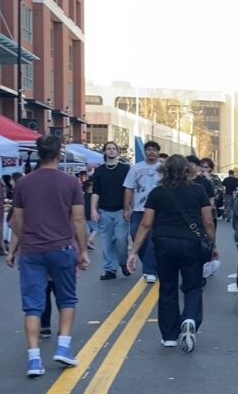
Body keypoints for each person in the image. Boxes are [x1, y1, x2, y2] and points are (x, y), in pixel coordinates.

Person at [6, 135, 89, 378]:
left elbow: (17, 220)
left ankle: (34, 360)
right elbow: (78, 219)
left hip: (32, 250)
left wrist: (20, 244)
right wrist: (83, 249)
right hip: (62, 248)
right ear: (59, 154)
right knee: (67, 299)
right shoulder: (71, 183)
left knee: (32, 306)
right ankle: (63, 345)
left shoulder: (24, 183)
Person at [128, 155, 215, 353]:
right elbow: (208, 221)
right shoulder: (198, 190)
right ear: (186, 170)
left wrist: (133, 252)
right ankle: (190, 319)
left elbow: (146, 223)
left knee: (167, 287)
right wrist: (212, 243)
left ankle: (169, 336)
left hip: (163, 242)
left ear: (164, 171)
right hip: (191, 243)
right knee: (192, 286)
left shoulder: (157, 193)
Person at [90, 141, 131, 279]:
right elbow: (96, 192)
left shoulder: (125, 169)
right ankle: (110, 270)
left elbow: (130, 190)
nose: (111, 151)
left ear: (118, 152)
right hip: (104, 211)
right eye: (109, 149)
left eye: (114, 149)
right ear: (105, 152)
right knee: (106, 242)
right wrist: (93, 209)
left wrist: (129, 208)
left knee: (120, 239)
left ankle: (123, 262)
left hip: (121, 211)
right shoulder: (99, 171)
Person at [124, 141, 162, 283]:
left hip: (157, 210)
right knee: (136, 236)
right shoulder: (135, 168)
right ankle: (150, 263)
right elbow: (128, 188)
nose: (151, 152)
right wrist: (127, 208)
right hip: (139, 209)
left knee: (152, 239)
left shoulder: (163, 169)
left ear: (158, 152)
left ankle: (149, 270)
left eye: (154, 150)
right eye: (148, 150)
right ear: (145, 152)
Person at [82, 179, 98, 250]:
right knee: (95, 229)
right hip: (92, 215)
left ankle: (90, 244)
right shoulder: (93, 196)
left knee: (90, 229)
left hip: (84, 215)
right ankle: (89, 241)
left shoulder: (82, 196)